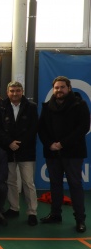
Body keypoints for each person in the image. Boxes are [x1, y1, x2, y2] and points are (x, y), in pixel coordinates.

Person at [38, 76, 90, 233]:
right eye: (56, 88)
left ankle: (80, 219)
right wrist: (50, 144)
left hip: (73, 153)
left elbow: (82, 128)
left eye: (62, 87)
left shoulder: (79, 105)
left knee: (75, 185)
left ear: (69, 88)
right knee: (55, 184)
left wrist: (62, 143)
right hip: (52, 152)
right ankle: (55, 214)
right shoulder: (47, 106)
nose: (59, 90)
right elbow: (42, 128)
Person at [0, 81, 38, 226]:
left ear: (22, 91)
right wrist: (9, 143)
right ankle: (14, 208)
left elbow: (33, 128)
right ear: (7, 92)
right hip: (7, 150)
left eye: (18, 90)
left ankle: (32, 212)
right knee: (11, 181)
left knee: (28, 182)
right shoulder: (1, 107)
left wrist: (19, 144)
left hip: (26, 150)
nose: (15, 93)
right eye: (12, 91)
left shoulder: (31, 107)